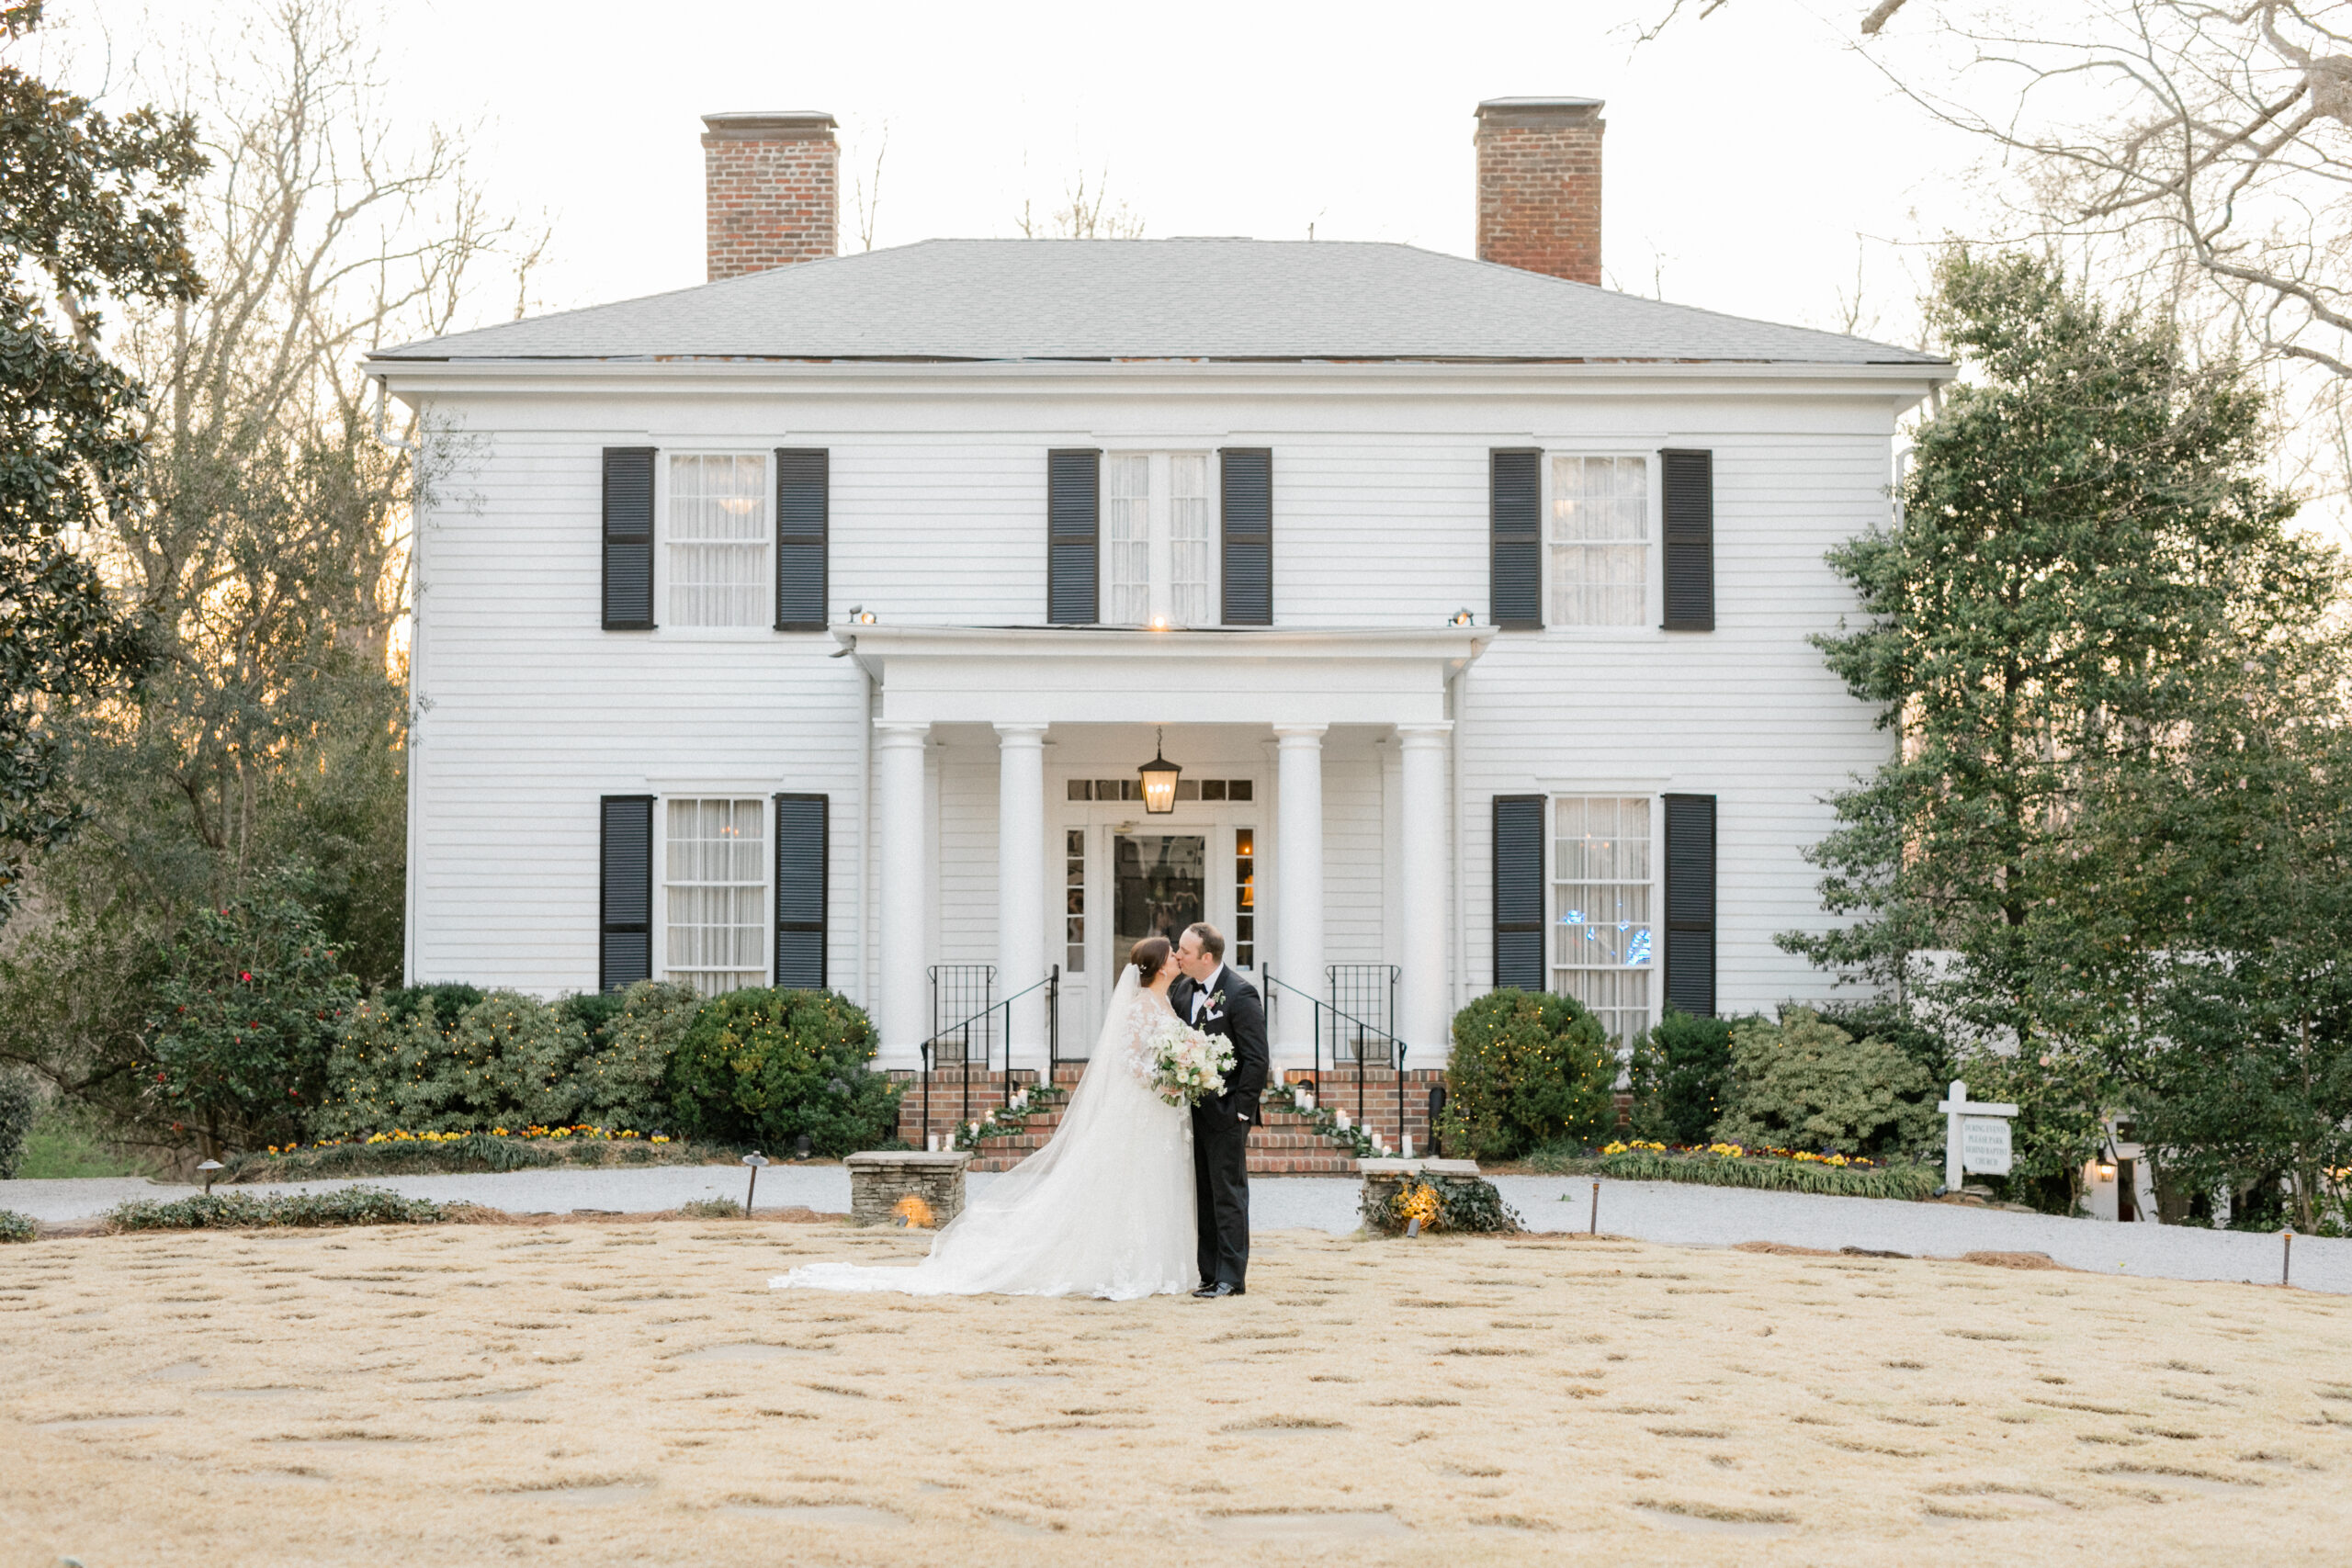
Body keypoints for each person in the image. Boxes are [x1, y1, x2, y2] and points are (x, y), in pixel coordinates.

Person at [770, 936, 1200, 1301]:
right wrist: (1165, 1079)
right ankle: (1125, 1264)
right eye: (1174, 954)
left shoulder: (1168, 1002)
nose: (1179, 958)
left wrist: (1181, 1072)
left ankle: (1157, 1263)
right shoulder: (1140, 1007)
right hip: (1142, 1105)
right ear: (1161, 965)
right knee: (1127, 1181)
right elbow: (1127, 1060)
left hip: (1159, 1112)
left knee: (1150, 1181)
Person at [1170, 922, 1268, 1298]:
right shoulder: (1182, 989)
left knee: (1228, 1196)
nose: (1177, 955)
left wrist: (1241, 1111)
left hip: (1227, 1113)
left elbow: (1257, 1059)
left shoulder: (1241, 994)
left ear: (1206, 957)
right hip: (1190, 1113)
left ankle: (1231, 1278)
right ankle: (1208, 1274)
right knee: (1203, 1197)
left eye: (1185, 951)